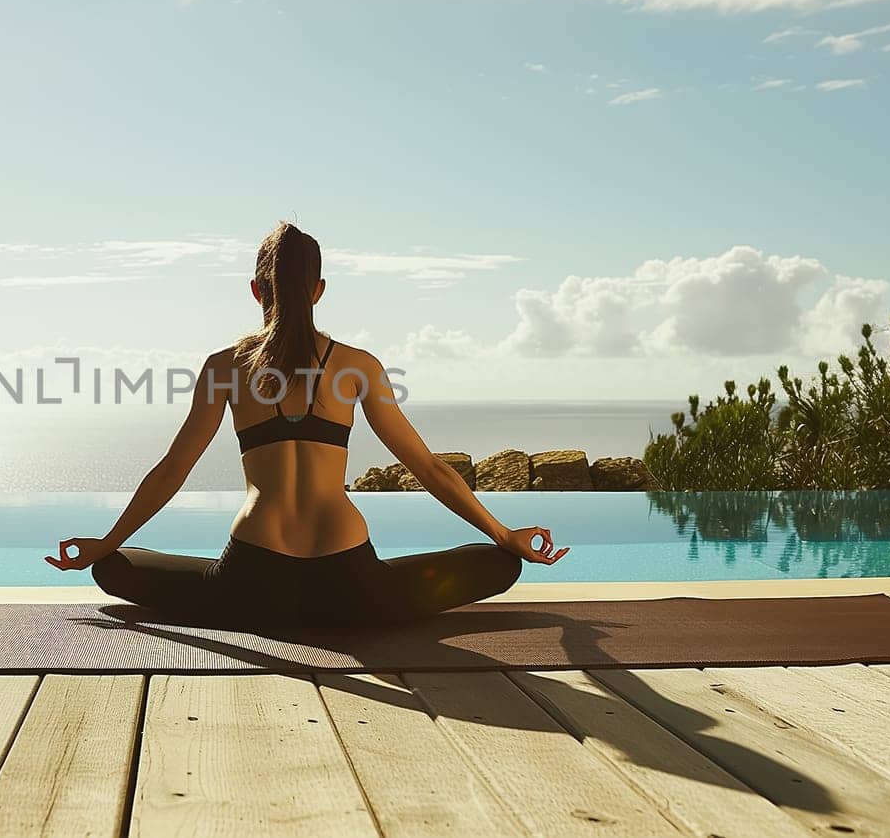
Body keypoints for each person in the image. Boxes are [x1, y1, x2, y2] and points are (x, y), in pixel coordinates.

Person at [44, 222, 567, 627]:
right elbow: (429, 469)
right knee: (499, 563)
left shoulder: (223, 368)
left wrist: (106, 543)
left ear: (255, 290)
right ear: (318, 289)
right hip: (355, 590)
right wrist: (504, 534)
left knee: (115, 567)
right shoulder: (358, 366)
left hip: (251, 585)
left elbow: (172, 470)